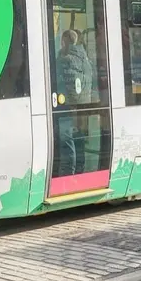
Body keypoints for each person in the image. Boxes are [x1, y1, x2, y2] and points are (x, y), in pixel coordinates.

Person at [56, 29, 94, 177]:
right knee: (78, 138)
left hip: (67, 106)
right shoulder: (85, 59)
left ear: (64, 42)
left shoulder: (64, 59)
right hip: (83, 105)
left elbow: (59, 82)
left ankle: (68, 174)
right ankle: (79, 170)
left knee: (67, 140)